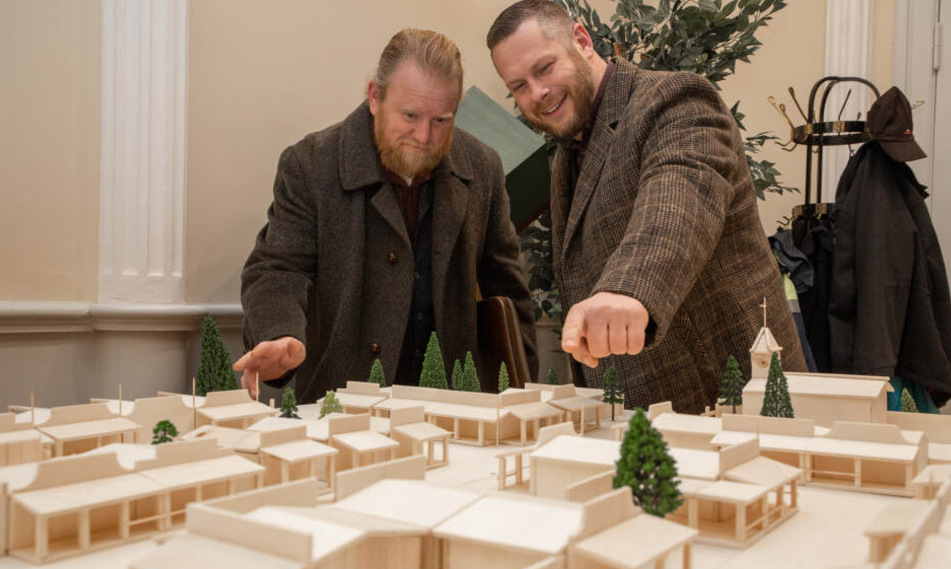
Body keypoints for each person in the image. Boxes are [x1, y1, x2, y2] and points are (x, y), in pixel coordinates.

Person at [487, 0, 806, 413]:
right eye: (518, 86)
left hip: (733, 411)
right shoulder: (569, 154)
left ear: (582, 41)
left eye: (544, 68)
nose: (537, 93)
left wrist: (626, 289)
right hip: (644, 425)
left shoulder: (675, 100)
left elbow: (677, 200)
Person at [237, 28, 537, 403]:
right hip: (341, 406)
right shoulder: (310, 164)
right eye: (410, 115)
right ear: (374, 96)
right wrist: (280, 334)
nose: (424, 136)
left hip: (454, 407)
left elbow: (508, 291)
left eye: (441, 120)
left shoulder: (483, 166)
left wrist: (525, 398)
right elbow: (278, 269)